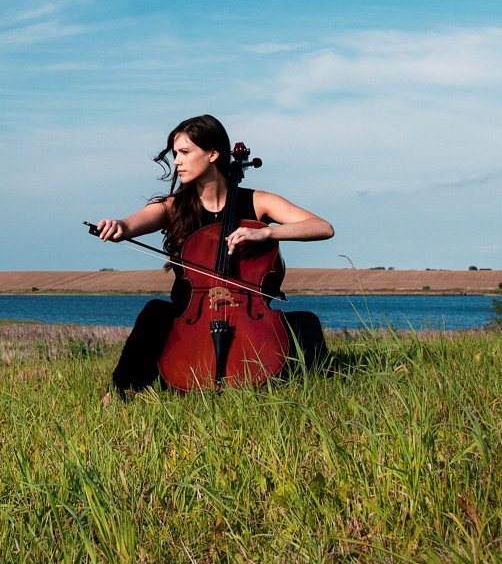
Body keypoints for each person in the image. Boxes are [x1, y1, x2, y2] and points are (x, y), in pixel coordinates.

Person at [91, 114, 333, 397]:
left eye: (184, 152)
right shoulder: (173, 206)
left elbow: (322, 227)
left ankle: (309, 388)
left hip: (248, 314)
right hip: (189, 316)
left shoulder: (258, 202)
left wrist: (267, 233)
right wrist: (118, 226)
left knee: (306, 322)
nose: (177, 162)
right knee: (154, 313)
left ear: (213, 154)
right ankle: (124, 391)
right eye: (175, 154)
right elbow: (131, 224)